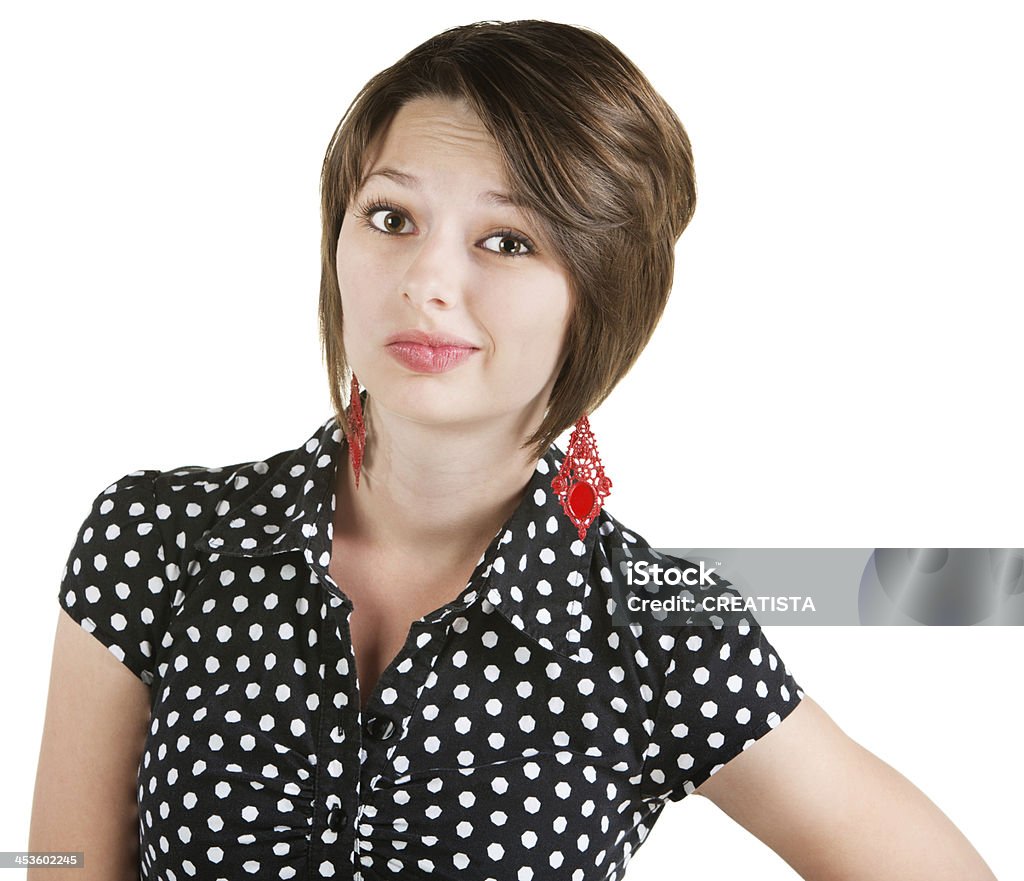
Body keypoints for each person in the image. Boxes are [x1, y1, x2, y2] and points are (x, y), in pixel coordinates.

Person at [29, 19, 998, 881]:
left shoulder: (659, 626)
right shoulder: (155, 536)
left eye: (508, 240)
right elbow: (59, 862)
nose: (426, 279)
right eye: (391, 217)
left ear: (602, 289)